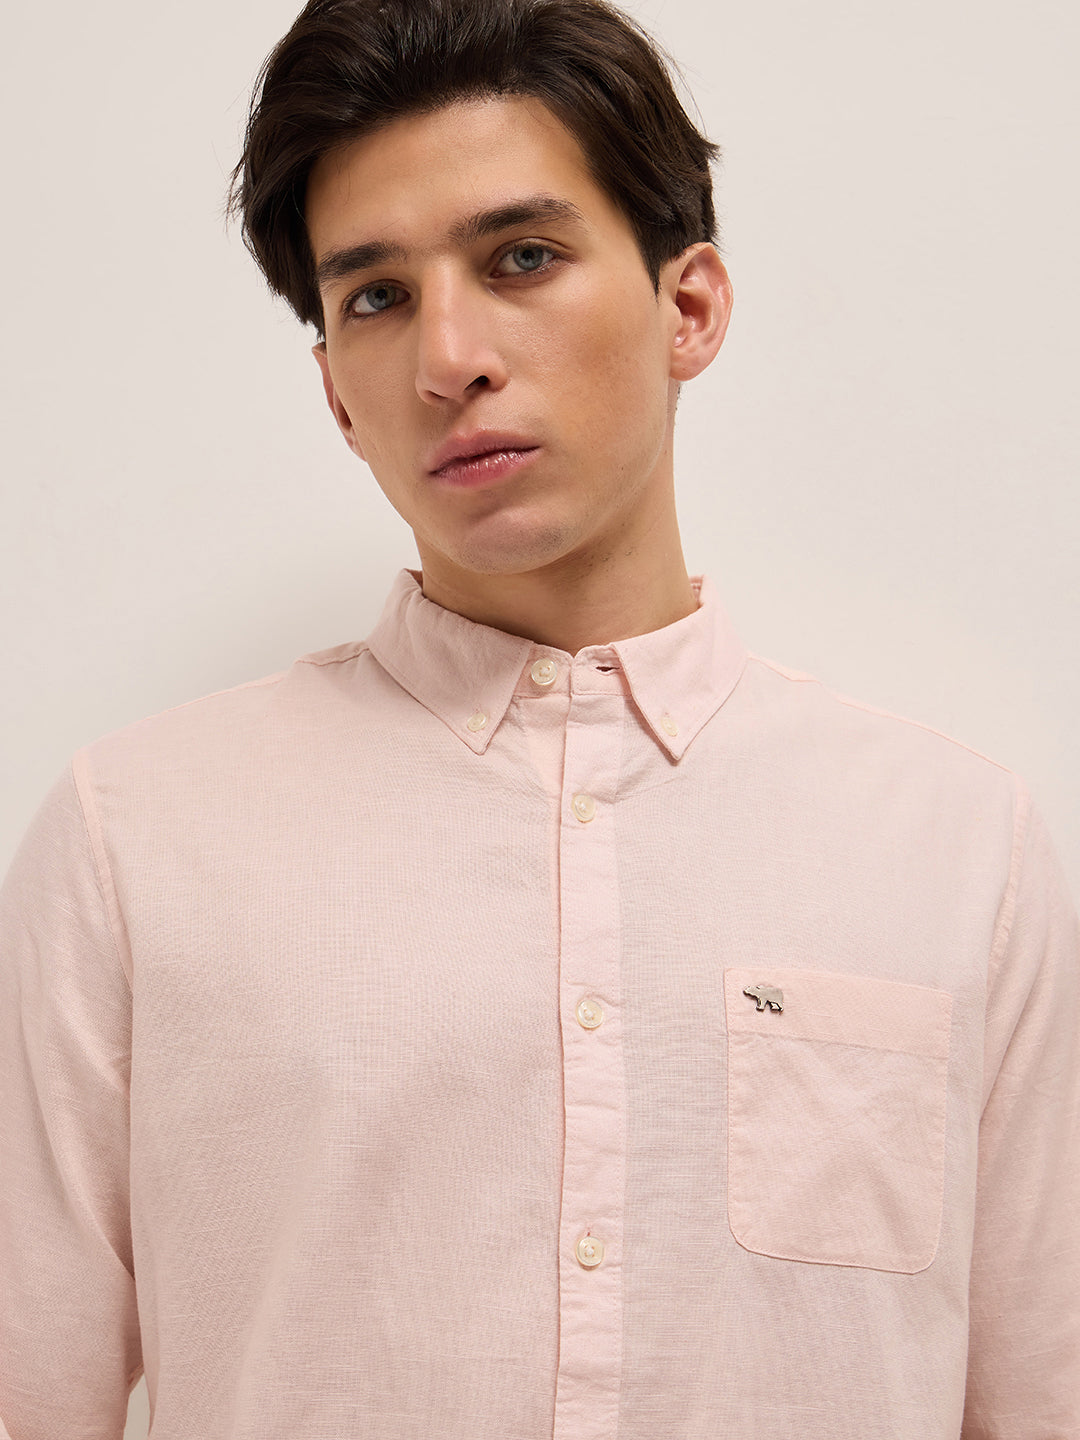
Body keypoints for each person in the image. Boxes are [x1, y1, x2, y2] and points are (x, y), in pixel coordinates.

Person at [1, 0, 1077, 1435]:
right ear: (336, 397)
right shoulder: (135, 844)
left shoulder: (956, 851)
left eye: (522, 257)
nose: (448, 356)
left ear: (689, 307)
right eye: (376, 296)